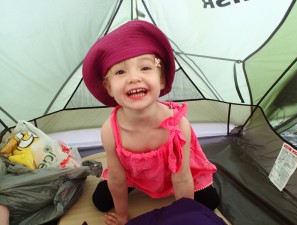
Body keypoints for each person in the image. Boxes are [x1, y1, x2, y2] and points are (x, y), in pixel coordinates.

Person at [82, 20, 220, 225]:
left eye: (145, 68)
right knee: (100, 201)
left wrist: (184, 216)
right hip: (135, 176)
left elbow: (181, 178)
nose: (133, 78)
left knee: (209, 202)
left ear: (162, 80)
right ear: (108, 88)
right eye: (120, 72)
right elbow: (118, 178)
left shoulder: (176, 125)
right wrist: (122, 215)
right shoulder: (110, 130)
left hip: (172, 175)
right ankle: (142, 187)